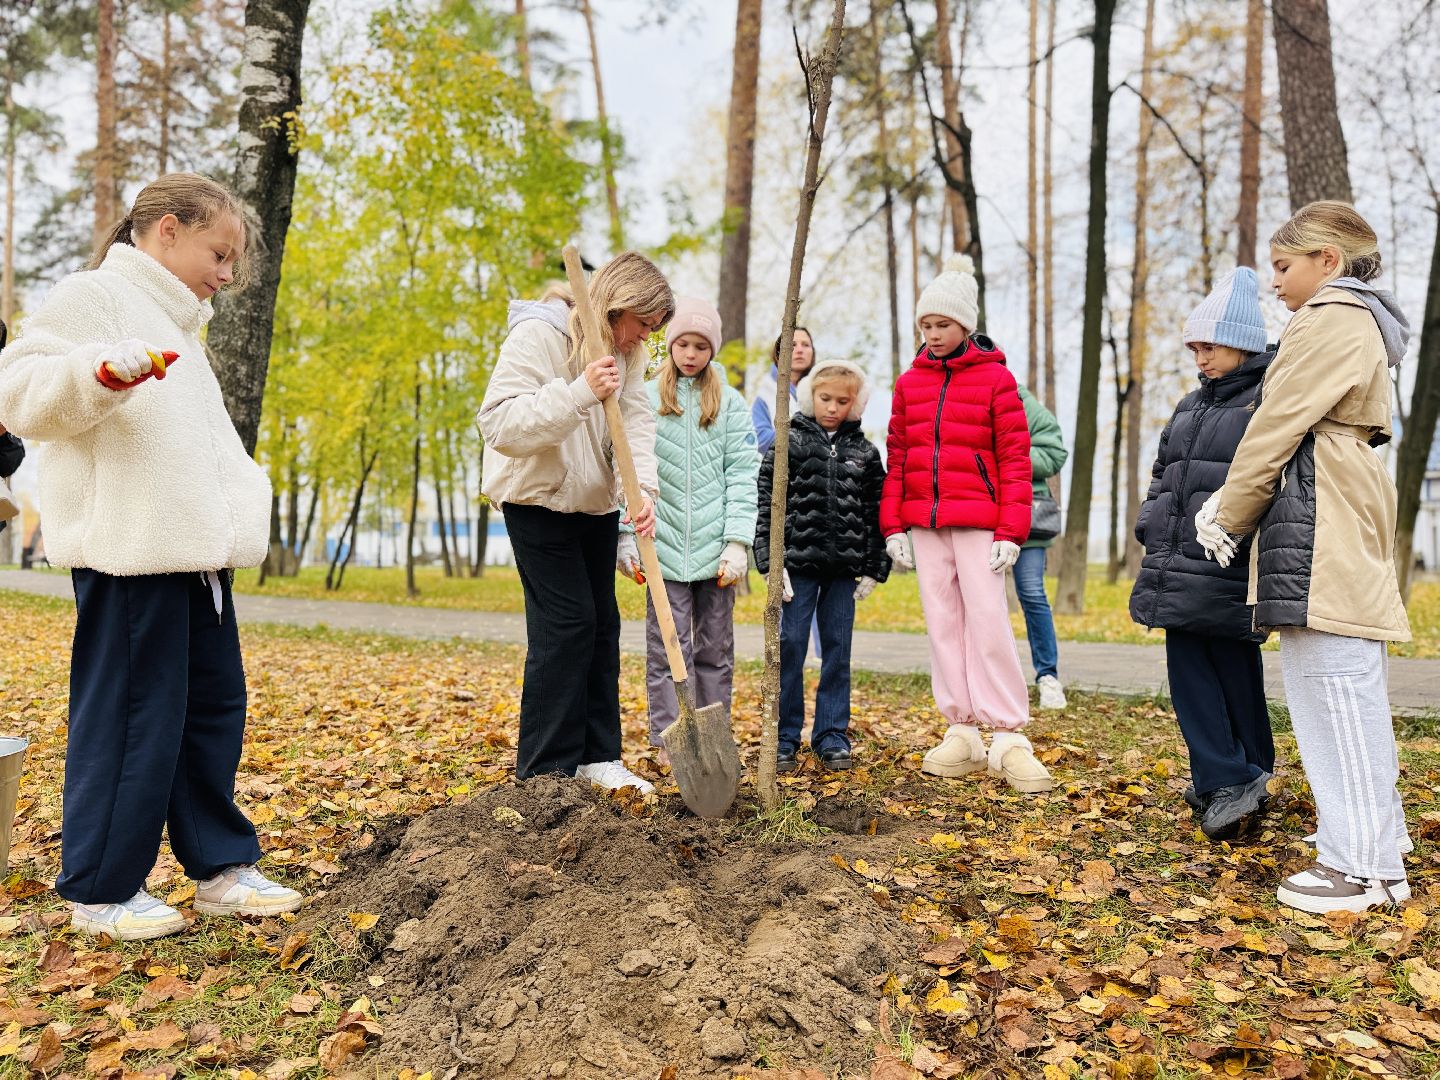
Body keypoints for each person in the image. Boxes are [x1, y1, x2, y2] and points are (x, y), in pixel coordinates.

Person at [0, 172, 302, 941]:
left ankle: (220, 868)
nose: (228, 274)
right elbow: (18, 389)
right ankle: (101, 891)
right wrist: (97, 374)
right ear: (166, 229)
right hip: (129, 556)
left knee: (211, 712)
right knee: (134, 719)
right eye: (219, 251)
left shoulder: (180, 322)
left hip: (196, 558)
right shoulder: (94, 296)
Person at [1201, 202, 1412, 913]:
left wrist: (1229, 511)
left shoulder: (1329, 317)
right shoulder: (1356, 321)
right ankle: (1378, 851)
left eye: (1284, 267)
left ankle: (1362, 869)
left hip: (1318, 497)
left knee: (1334, 687)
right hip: (1331, 493)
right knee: (1340, 682)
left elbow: (1275, 421)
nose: (1277, 285)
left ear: (1328, 259)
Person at [479, 251, 671, 795]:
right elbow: (500, 424)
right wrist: (581, 390)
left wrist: (642, 494)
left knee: (601, 628)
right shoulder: (538, 335)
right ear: (617, 307)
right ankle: (545, 769)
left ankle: (597, 756)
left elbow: (635, 422)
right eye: (643, 326)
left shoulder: (627, 354)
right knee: (565, 627)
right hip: (536, 499)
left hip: (595, 504)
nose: (643, 340)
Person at [882, 255, 1051, 794]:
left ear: (965, 326)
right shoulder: (909, 384)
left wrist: (1011, 531)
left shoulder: (998, 380)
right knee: (942, 624)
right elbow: (899, 454)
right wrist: (893, 527)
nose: (932, 335)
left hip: (980, 519)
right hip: (925, 524)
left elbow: (1016, 459)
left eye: (943, 325)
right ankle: (961, 728)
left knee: (988, 622)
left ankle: (1007, 734)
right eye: (925, 326)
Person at [1130, 267, 1276, 841]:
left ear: (1242, 344)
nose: (1200, 358)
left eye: (1209, 346)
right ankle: (1242, 772)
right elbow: (1164, 471)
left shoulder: (1265, 401)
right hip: (1178, 558)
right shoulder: (1192, 404)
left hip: (1227, 560)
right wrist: (1151, 519)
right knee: (1206, 664)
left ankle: (1229, 776)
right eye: (1195, 347)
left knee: (1216, 671)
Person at [616, 297, 758, 764]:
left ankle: (714, 741)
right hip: (664, 549)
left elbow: (742, 473)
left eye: (701, 345)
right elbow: (629, 464)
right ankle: (669, 740)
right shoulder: (649, 397)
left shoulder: (730, 403)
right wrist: (627, 535)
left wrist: (737, 542)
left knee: (715, 651)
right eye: (683, 343)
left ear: (712, 350)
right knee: (667, 651)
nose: (691, 353)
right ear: (671, 344)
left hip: (716, 553)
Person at [755, 359, 889, 771]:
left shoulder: (865, 452)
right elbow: (767, 505)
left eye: (842, 401)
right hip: (798, 566)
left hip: (843, 570)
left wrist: (873, 566)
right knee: (791, 645)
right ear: (811, 396)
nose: (832, 407)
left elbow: (875, 512)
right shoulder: (788, 443)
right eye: (825, 398)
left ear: (855, 404)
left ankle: (831, 735)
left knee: (837, 648)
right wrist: (770, 563)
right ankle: (784, 736)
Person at [1014, 384, 1067, 709]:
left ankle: (1048, 676)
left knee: (1032, 593)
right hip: (978, 516)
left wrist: (1010, 451)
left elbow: (1054, 454)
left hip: (1026, 519)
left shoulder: (1025, 405)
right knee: (979, 601)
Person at [750, 327, 815, 454]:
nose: (800, 350)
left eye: (806, 345)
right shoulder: (765, 392)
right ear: (779, 352)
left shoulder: (821, 390)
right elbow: (759, 440)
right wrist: (802, 436)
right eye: (792, 345)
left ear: (812, 352)